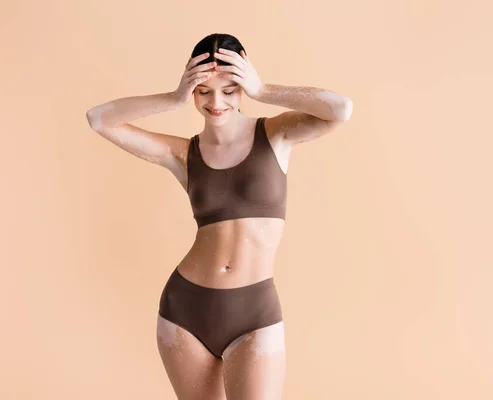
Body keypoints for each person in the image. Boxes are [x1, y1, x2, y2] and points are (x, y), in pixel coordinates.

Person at [85, 33, 353, 400]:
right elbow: (98, 119)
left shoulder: (275, 134)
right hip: (184, 311)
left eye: (229, 89)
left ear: (242, 86)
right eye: (203, 91)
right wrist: (173, 97)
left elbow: (341, 110)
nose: (217, 102)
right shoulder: (183, 154)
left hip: (254, 314)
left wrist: (263, 88)